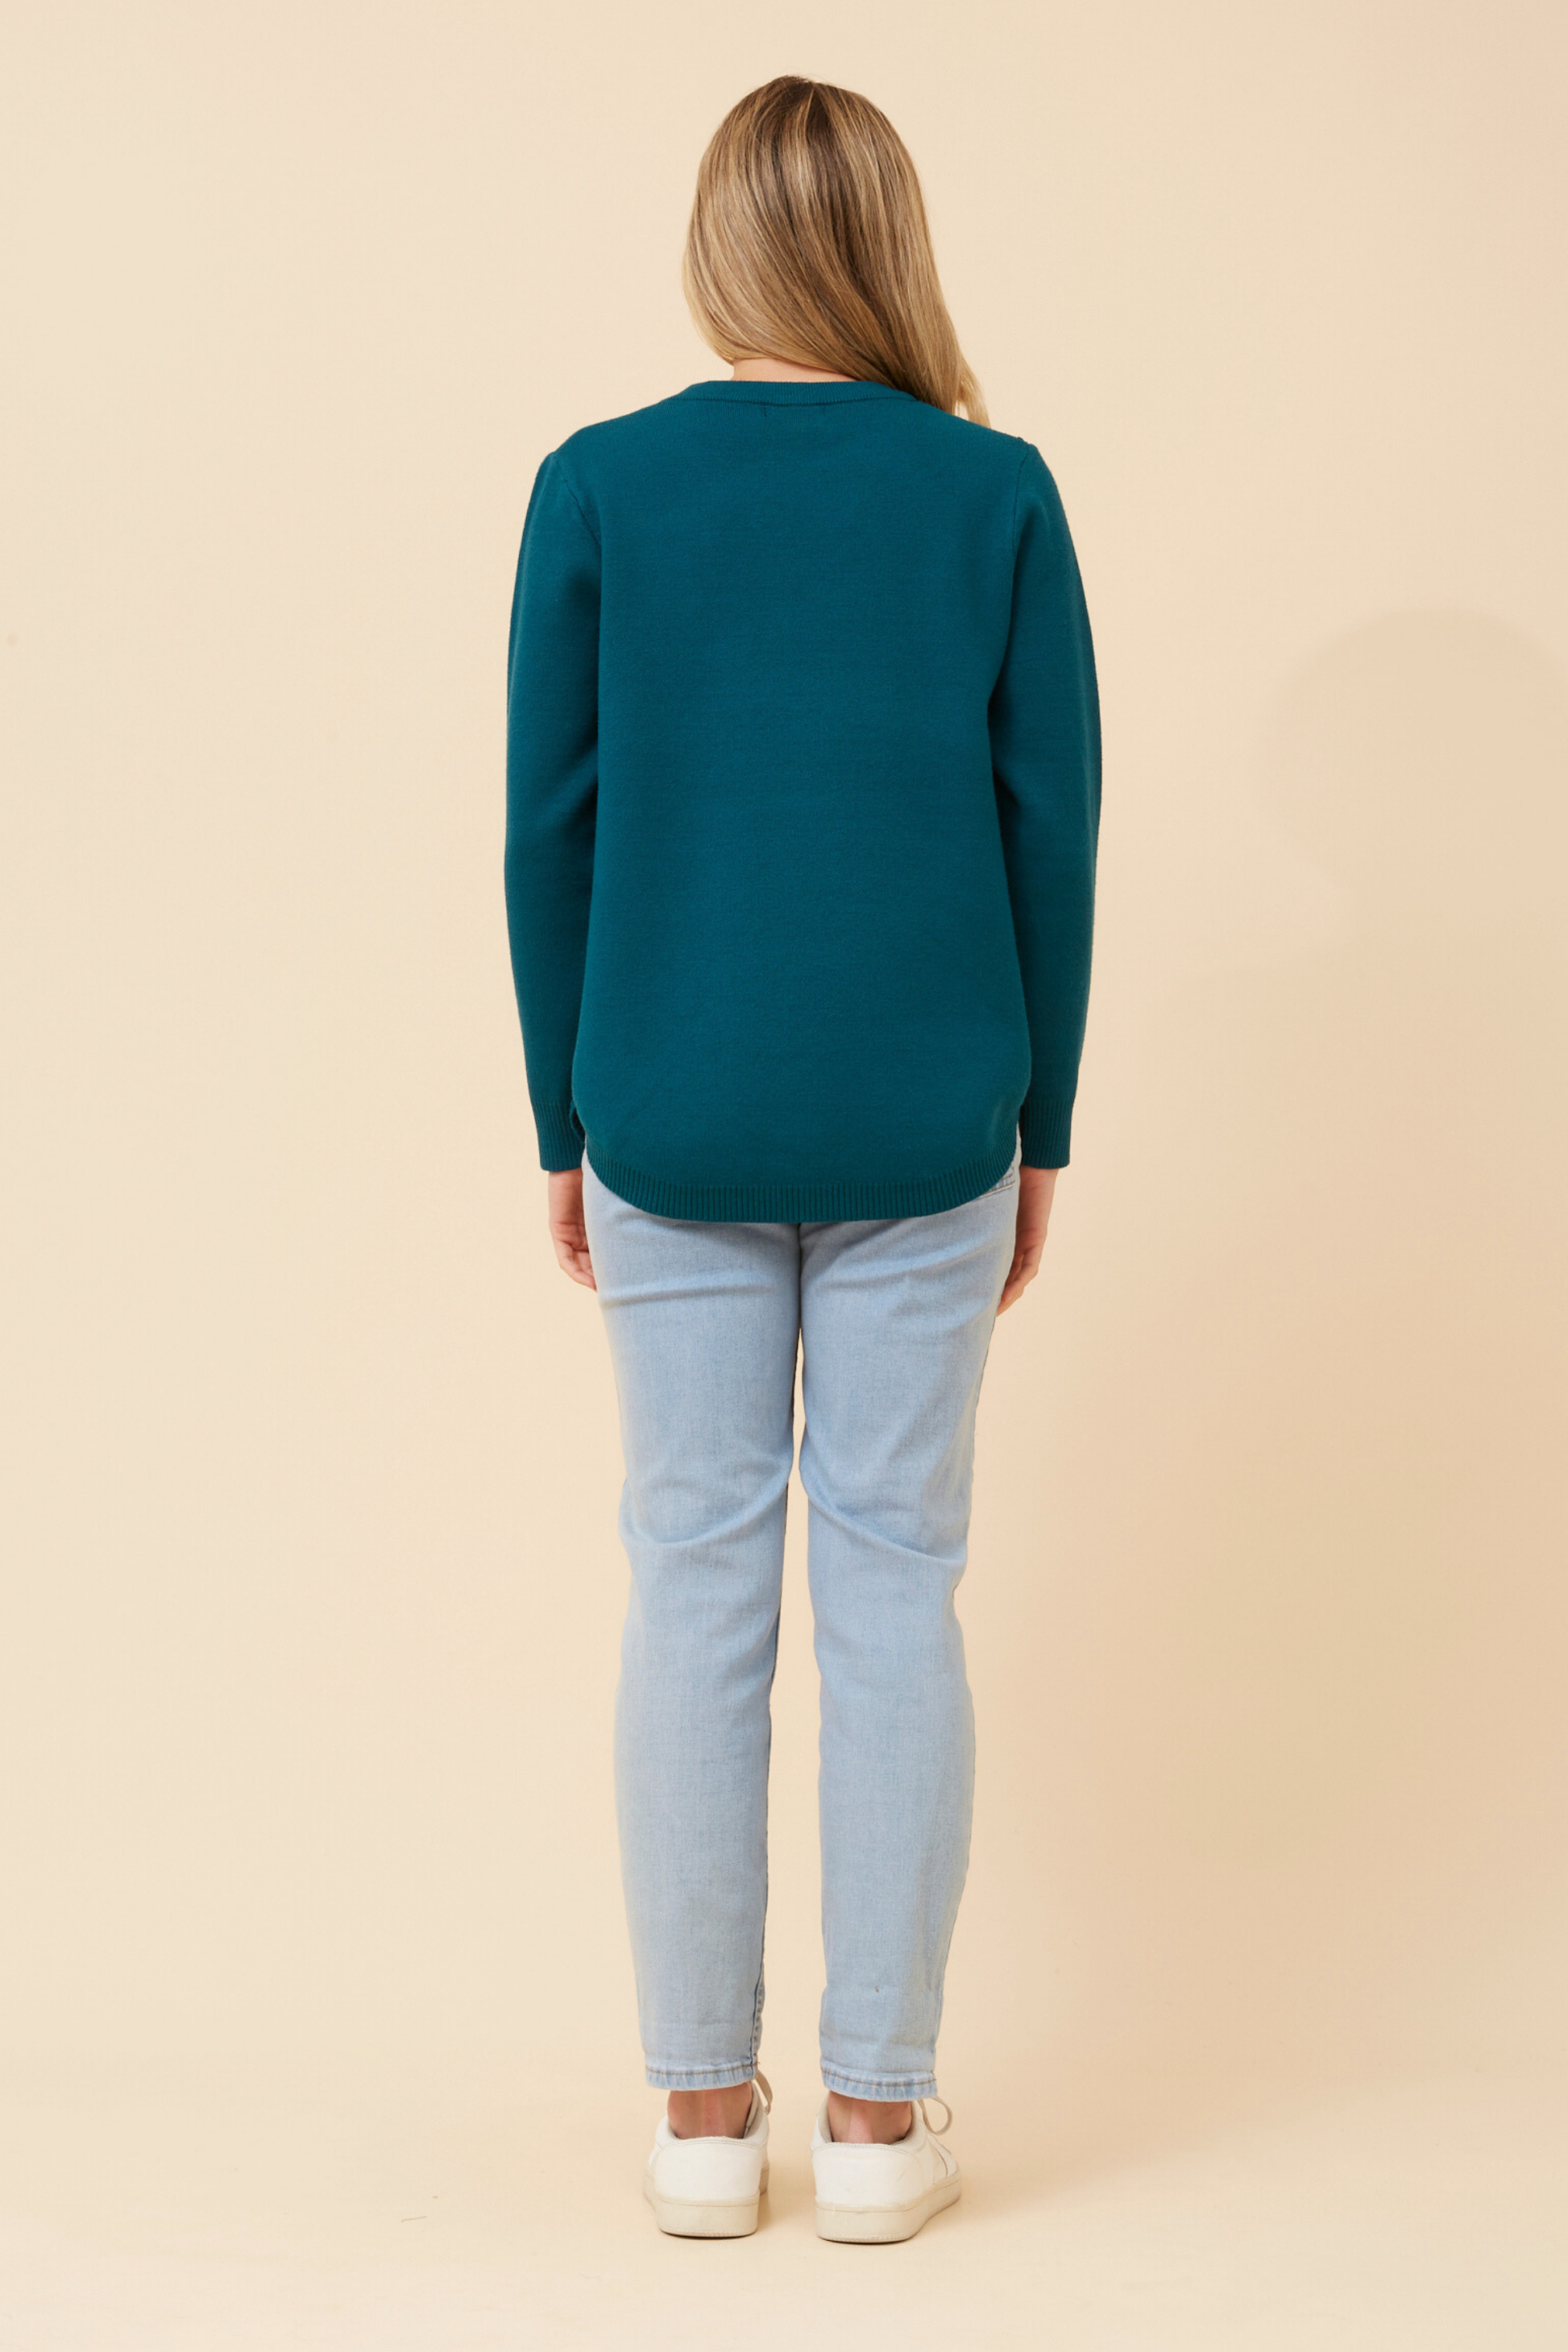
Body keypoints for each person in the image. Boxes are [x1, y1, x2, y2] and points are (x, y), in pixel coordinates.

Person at [504, 75, 1100, 2244]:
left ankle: (695, 2114)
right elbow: (1051, 825)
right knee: (895, 1587)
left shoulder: (598, 485)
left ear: (718, 246)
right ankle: (873, 2118)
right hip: (930, 1111)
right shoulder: (993, 493)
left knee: (692, 1583)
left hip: (663, 1102)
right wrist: (1042, 1126)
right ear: (891, 247)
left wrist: (563, 1119)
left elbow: (547, 827)